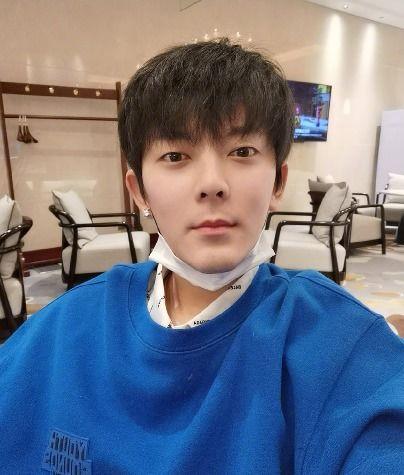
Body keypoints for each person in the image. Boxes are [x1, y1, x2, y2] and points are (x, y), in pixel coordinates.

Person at [0, 38, 403, 475]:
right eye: (176, 156)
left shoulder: (342, 344)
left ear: (278, 182)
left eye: (242, 152)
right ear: (139, 192)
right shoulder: (63, 330)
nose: (212, 183)